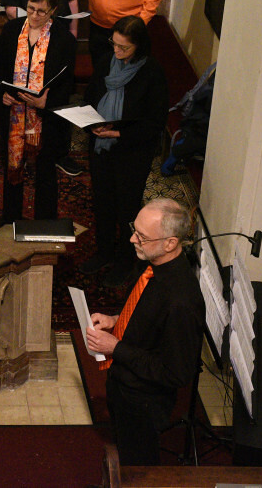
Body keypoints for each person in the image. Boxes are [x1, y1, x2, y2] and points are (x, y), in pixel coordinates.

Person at [86, 198, 205, 466]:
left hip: (142, 401)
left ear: (170, 243)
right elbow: (149, 315)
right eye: (134, 229)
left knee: (138, 466)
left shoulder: (182, 302)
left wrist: (115, 348)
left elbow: (175, 373)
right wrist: (116, 319)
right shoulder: (153, 263)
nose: (132, 239)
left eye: (142, 236)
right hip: (123, 385)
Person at [81, 16, 168, 287]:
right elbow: (90, 97)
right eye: (114, 44)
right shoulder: (107, 62)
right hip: (101, 147)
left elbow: (155, 123)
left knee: (126, 208)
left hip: (132, 152)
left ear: (138, 46)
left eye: (124, 47)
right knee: (103, 202)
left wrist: (118, 133)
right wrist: (93, 123)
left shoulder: (152, 73)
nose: (117, 51)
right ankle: (104, 252)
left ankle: (125, 261)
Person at [1, 0, 83, 177]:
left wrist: (73, 33)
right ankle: (24, 153)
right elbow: (11, 8)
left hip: (59, 41)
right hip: (29, 41)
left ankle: (58, 153)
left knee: (58, 97)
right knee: (27, 99)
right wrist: (34, 28)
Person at [0, 0, 75, 224]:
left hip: (45, 119)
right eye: (30, 9)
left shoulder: (64, 39)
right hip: (14, 114)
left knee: (45, 172)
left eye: (41, 11)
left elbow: (67, 83)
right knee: (12, 167)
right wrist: (3, 93)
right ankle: (11, 221)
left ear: (53, 11)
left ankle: (44, 224)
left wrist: (46, 102)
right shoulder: (12, 30)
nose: (35, 15)